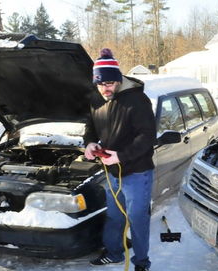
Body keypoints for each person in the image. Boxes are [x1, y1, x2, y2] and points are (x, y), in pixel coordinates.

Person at [84, 48, 156, 271]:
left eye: (109, 84)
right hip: (113, 174)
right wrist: (89, 142)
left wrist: (120, 156)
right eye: (100, 84)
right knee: (114, 218)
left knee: (137, 220)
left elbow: (148, 137)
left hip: (137, 173)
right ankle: (114, 253)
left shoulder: (137, 100)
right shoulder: (97, 99)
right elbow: (90, 126)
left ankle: (141, 263)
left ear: (118, 79)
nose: (105, 89)